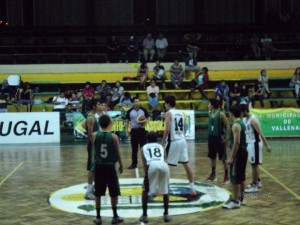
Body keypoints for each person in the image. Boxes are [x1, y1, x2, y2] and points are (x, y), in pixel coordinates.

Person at [92, 114, 124, 225]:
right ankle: (115, 216)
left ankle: (98, 217)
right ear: (110, 123)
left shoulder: (94, 135)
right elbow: (118, 153)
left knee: (98, 193)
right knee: (113, 192)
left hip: (99, 166)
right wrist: (121, 164)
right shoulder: (114, 137)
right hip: (110, 166)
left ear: (99, 124)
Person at [161, 95, 195, 195]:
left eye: (165, 103)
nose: (164, 105)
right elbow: (185, 128)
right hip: (182, 140)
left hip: (174, 141)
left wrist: (163, 142)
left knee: (165, 163)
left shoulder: (168, 113)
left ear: (168, 104)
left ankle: (164, 187)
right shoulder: (181, 113)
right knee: (186, 164)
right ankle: (192, 188)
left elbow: (167, 129)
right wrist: (182, 137)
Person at [139, 132, 171, 223]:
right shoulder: (161, 147)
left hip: (151, 165)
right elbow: (165, 158)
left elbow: (145, 165)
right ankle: (166, 214)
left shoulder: (143, 148)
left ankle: (145, 215)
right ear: (156, 139)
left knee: (145, 190)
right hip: (164, 165)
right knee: (165, 190)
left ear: (147, 140)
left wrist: (147, 176)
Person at [240, 103, 272, 193]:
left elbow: (261, 133)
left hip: (255, 144)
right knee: (253, 164)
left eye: (241, 112)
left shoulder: (253, 120)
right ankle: (257, 181)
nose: (240, 114)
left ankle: (254, 185)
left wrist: (267, 145)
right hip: (250, 143)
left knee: (255, 165)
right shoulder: (245, 119)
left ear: (245, 111)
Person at [223, 105, 248, 209]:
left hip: (238, 154)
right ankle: (242, 199)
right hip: (243, 152)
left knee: (235, 178)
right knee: (241, 177)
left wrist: (231, 157)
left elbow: (236, 143)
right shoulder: (242, 122)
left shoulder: (236, 125)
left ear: (231, 113)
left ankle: (235, 201)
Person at [206, 98, 230, 183]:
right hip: (211, 138)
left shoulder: (221, 114)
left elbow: (227, 126)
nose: (208, 105)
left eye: (209, 104)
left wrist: (227, 138)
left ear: (212, 105)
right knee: (212, 157)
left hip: (219, 138)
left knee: (223, 158)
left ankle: (227, 176)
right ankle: (213, 174)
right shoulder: (209, 113)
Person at [83, 99, 101, 200]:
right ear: (94, 106)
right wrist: (95, 145)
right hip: (93, 145)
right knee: (92, 168)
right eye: (98, 104)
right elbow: (90, 134)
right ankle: (88, 192)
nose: (99, 105)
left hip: (95, 144)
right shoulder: (91, 118)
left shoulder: (93, 116)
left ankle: (91, 189)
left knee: (95, 167)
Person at [126, 97, 149, 169]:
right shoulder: (129, 111)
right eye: (136, 102)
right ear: (133, 103)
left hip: (142, 130)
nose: (137, 103)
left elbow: (148, 118)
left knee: (144, 148)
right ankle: (134, 163)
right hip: (133, 131)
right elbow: (127, 121)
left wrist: (145, 123)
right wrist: (127, 130)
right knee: (134, 149)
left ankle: (147, 163)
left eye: (138, 101)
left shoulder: (143, 110)